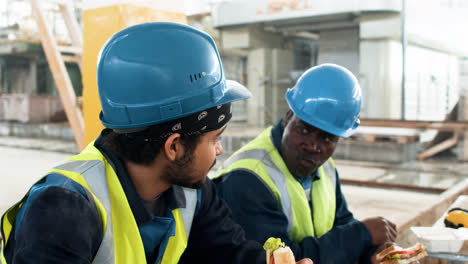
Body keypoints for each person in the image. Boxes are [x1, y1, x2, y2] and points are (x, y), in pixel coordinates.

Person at [0, 22, 313, 264]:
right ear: (174, 146)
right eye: (215, 139)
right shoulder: (62, 210)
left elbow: (230, 253)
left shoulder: (193, 191)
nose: (220, 150)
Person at [212, 64, 398, 264]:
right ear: (288, 118)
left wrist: (371, 252)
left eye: (326, 138)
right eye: (304, 130)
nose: (312, 146)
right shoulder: (248, 178)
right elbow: (286, 260)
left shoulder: (325, 168)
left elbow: (341, 222)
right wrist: (362, 234)